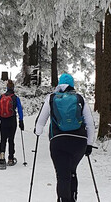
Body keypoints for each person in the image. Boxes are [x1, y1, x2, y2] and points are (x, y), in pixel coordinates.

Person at [34, 73, 95, 202]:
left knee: (62, 175)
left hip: (58, 140)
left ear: (59, 85)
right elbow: (89, 122)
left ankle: (64, 199)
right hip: (79, 142)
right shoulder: (79, 98)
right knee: (72, 171)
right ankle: (72, 198)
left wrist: (38, 132)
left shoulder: (51, 98)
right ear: (72, 85)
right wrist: (89, 144)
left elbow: (40, 121)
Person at [0, 80, 24, 167]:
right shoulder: (15, 98)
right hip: (12, 120)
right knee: (11, 140)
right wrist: (21, 121)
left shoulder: (1, 97)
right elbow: (20, 110)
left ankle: (2, 157)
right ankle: (10, 158)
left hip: (3, 120)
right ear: (13, 88)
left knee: (3, 139)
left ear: (7, 88)